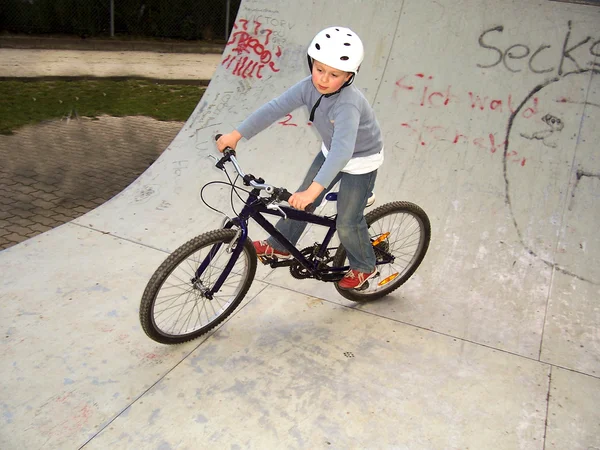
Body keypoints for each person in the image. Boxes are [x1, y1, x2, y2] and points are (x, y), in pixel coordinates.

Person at [217, 26, 384, 290]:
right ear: (311, 64)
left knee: (347, 221)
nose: (324, 79)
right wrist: (236, 135)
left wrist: (312, 192)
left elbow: (344, 152)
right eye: (319, 69)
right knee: (299, 203)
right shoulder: (307, 87)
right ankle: (281, 246)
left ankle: (365, 266)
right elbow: (275, 108)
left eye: (334, 74)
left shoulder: (348, 104)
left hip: (360, 161)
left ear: (350, 76)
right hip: (331, 153)